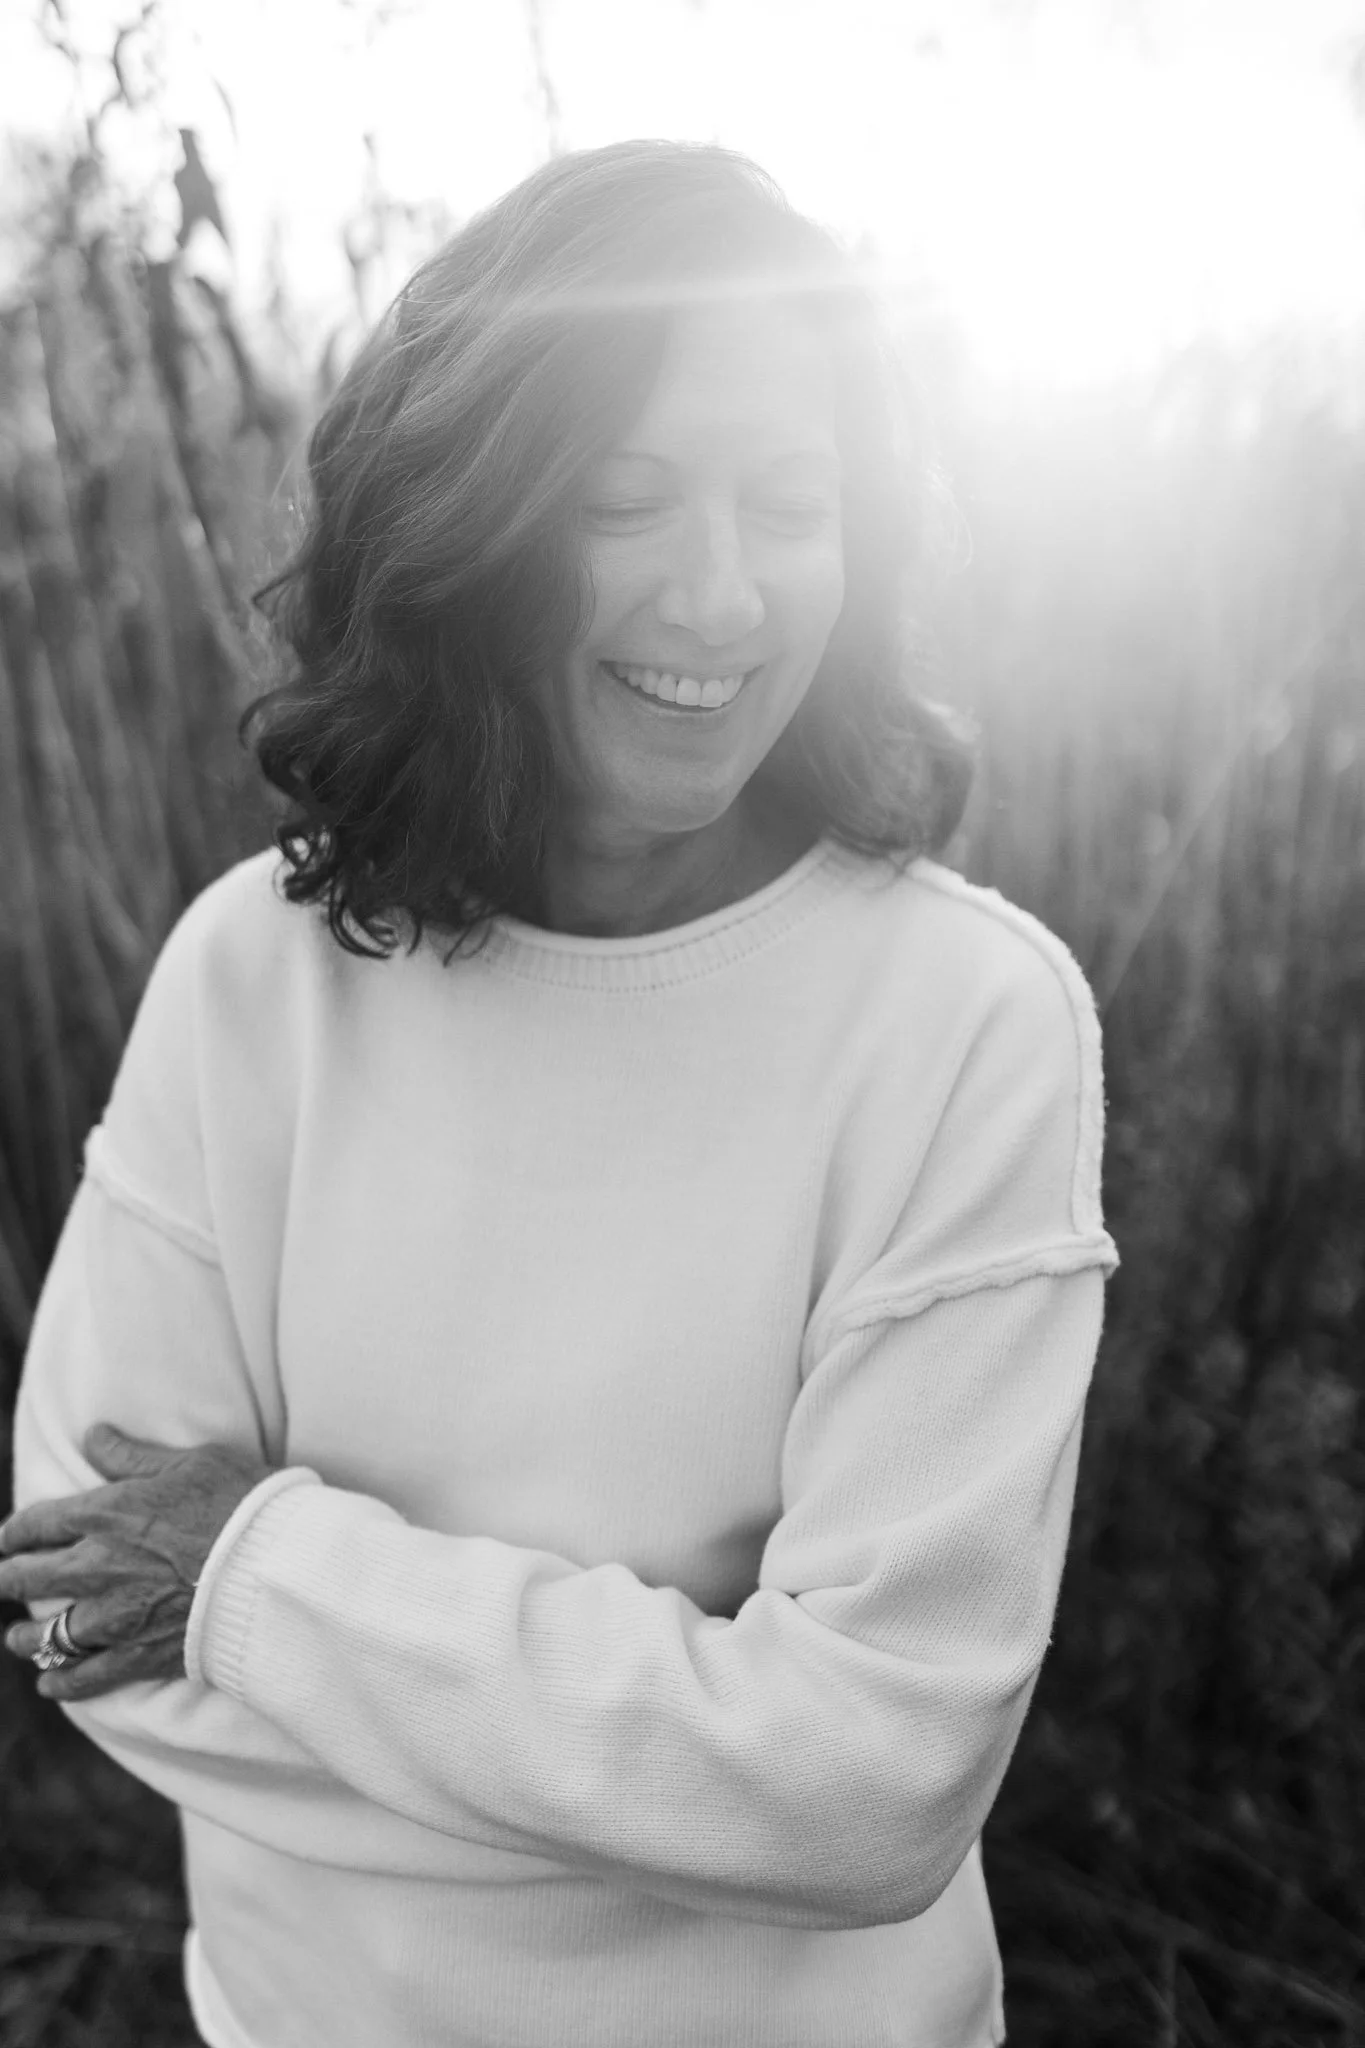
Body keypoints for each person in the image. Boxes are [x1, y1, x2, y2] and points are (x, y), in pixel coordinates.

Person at [0, 139, 1119, 2048]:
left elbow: (867, 1787)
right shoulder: (251, 976)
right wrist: (682, 1780)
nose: (723, 596)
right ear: (466, 527)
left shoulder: (966, 1024)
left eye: (792, 503)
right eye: (624, 499)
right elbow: (79, 1616)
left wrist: (258, 1589)